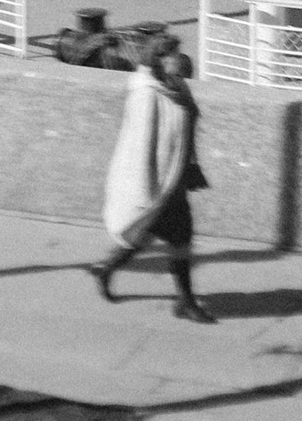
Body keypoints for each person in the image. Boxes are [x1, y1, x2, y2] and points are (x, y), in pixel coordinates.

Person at [90, 32, 212, 318]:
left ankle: (107, 270)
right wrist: (146, 188)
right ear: (158, 59)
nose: (180, 59)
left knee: (159, 234)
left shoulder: (175, 85)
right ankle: (186, 302)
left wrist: (191, 165)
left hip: (176, 174)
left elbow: (187, 126)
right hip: (157, 180)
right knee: (173, 235)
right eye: (172, 55)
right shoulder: (146, 93)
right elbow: (141, 144)